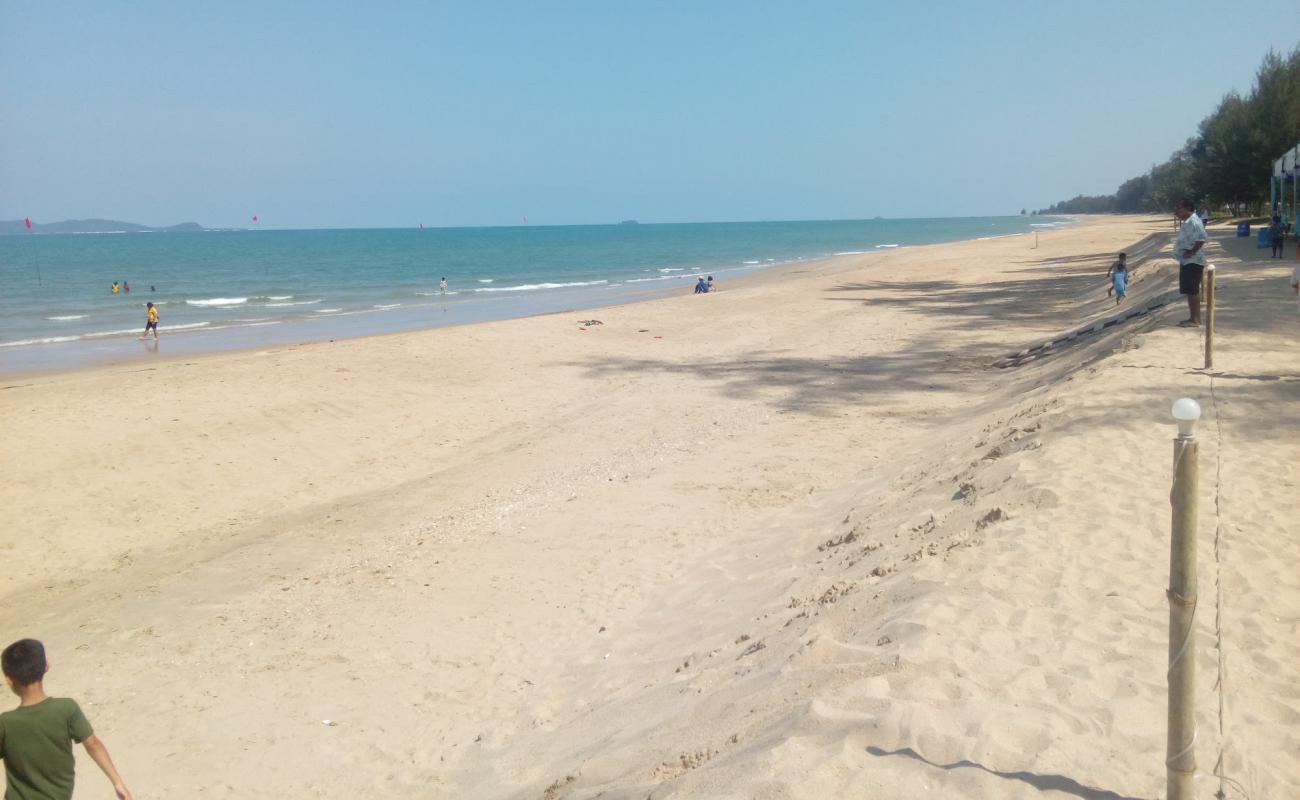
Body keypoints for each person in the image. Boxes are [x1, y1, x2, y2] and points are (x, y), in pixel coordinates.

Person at [0, 639, 133, 800]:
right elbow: (93, 744)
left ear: (9, 680)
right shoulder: (66, 709)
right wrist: (117, 782)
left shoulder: (5, 723)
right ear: (46, 666)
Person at [1173, 199, 1208, 326]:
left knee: (1193, 290)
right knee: (1189, 290)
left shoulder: (1193, 221)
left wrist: (1192, 252)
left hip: (1193, 261)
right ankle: (1192, 318)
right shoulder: (1187, 222)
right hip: (1187, 261)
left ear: (1187, 208)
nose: (1176, 212)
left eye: (1179, 208)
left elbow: (1202, 238)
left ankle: (1195, 319)